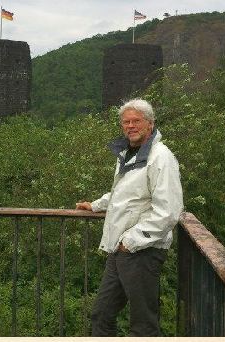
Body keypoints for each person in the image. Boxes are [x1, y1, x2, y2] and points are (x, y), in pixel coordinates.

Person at [75, 98, 184, 336]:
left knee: (143, 325)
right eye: (126, 122)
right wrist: (95, 205)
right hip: (121, 249)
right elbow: (125, 194)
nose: (130, 126)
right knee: (101, 315)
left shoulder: (161, 157)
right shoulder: (130, 154)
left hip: (142, 251)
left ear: (150, 124)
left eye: (136, 121)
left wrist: (130, 241)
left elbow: (169, 211)